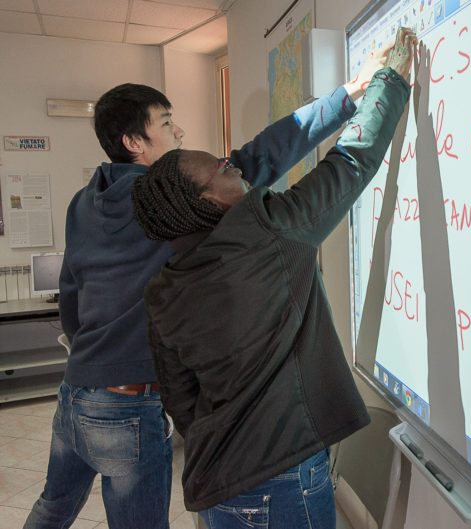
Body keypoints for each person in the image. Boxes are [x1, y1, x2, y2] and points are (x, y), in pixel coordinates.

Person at [24, 50, 389, 529]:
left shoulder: (85, 203)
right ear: (133, 142)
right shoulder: (163, 203)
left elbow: (71, 293)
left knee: (52, 507)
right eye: (166, 123)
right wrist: (349, 95)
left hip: (76, 390)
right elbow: (259, 158)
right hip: (129, 404)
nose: (179, 132)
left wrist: (92, 354)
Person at [130, 27, 417, 529]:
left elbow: (181, 400)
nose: (235, 168)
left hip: (217, 485)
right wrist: (390, 81)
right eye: (223, 168)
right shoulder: (267, 231)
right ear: (209, 201)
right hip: (280, 478)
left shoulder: (164, 287)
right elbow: (349, 163)